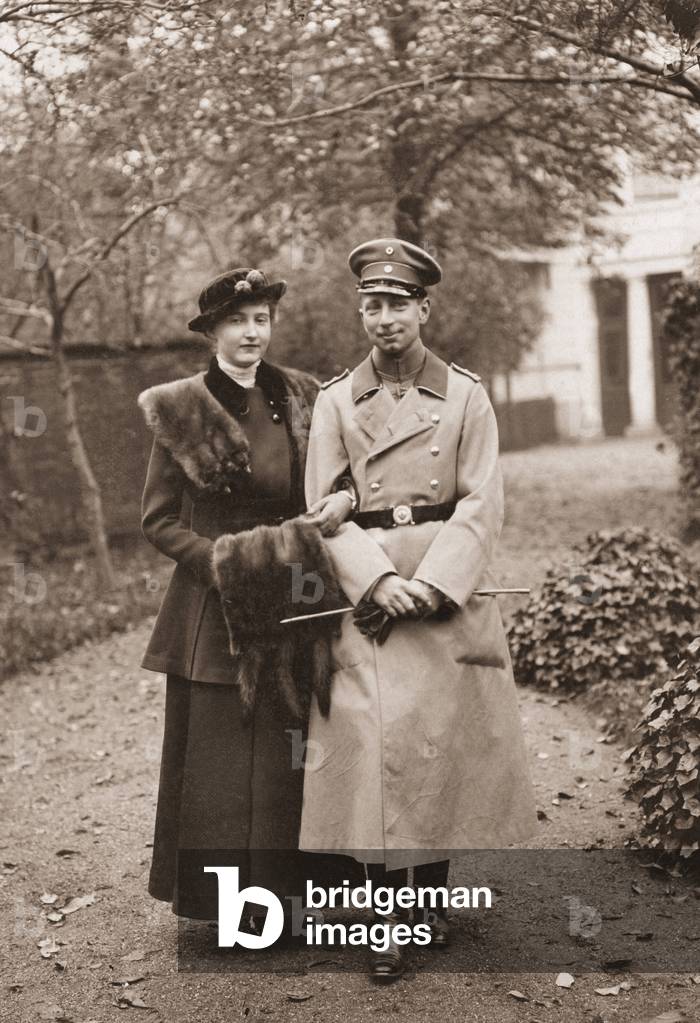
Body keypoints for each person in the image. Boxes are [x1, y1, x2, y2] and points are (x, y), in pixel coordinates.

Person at [299, 238, 538, 981]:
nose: (384, 317)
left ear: (424, 308)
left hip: (441, 594)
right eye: (372, 304)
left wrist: (432, 584)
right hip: (368, 597)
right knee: (374, 756)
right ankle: (383, 921)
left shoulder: (466, 394)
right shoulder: (337, 399)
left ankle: (430, 900)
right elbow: (321, 510)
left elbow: (483, 497)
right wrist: (375, 583)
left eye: (398, 303)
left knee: (439, 747)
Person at [137, 267, 353, 924]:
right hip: (217, 606)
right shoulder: (182, 407)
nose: (252, 332)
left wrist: (340, 500)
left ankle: (289, 898)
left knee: (290, 752)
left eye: (261, 318)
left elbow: (336, 479)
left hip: (292, 589)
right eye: (237, 320)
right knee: (223, 764)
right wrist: (223, 564)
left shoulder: (302, 396)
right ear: (211, 332)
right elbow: (158, 519)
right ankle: (231, 909)